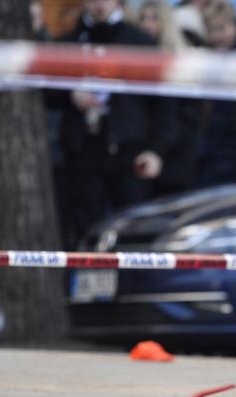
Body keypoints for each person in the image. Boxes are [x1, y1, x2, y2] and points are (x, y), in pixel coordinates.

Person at [53, 0, 174, 247]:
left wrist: (157, 150)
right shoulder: (68, 42)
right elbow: (43, 92)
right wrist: (70, 95)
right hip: (82, 151)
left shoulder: (140, 42)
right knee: (84, 234)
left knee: (134, 234)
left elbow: (164, 105)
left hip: (130, 154)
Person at [137, 0, 205, 196]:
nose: (147, 24)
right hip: (144, 154)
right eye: (143, 18)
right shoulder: (136, 57)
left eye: (154, 18)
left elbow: (189, 116)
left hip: (177, 159)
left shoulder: (182, 61)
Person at [196, 0, 236, 187]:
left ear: (235, 26)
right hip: (214, 153)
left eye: (221, 28)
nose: (217, 36)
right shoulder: (208, 58)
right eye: (211, 30)